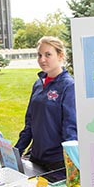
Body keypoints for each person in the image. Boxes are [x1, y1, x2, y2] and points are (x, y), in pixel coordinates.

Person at [15, 36, 77, 172]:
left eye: (48, 55)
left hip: (57, 162)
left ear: (60, 56)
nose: (42, 60)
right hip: (36, 157)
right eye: (39, 55)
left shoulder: (69, 86)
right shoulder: (38, 84)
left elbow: (70, 127)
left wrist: (72, 164)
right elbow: (30, 122)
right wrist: (16, 151)